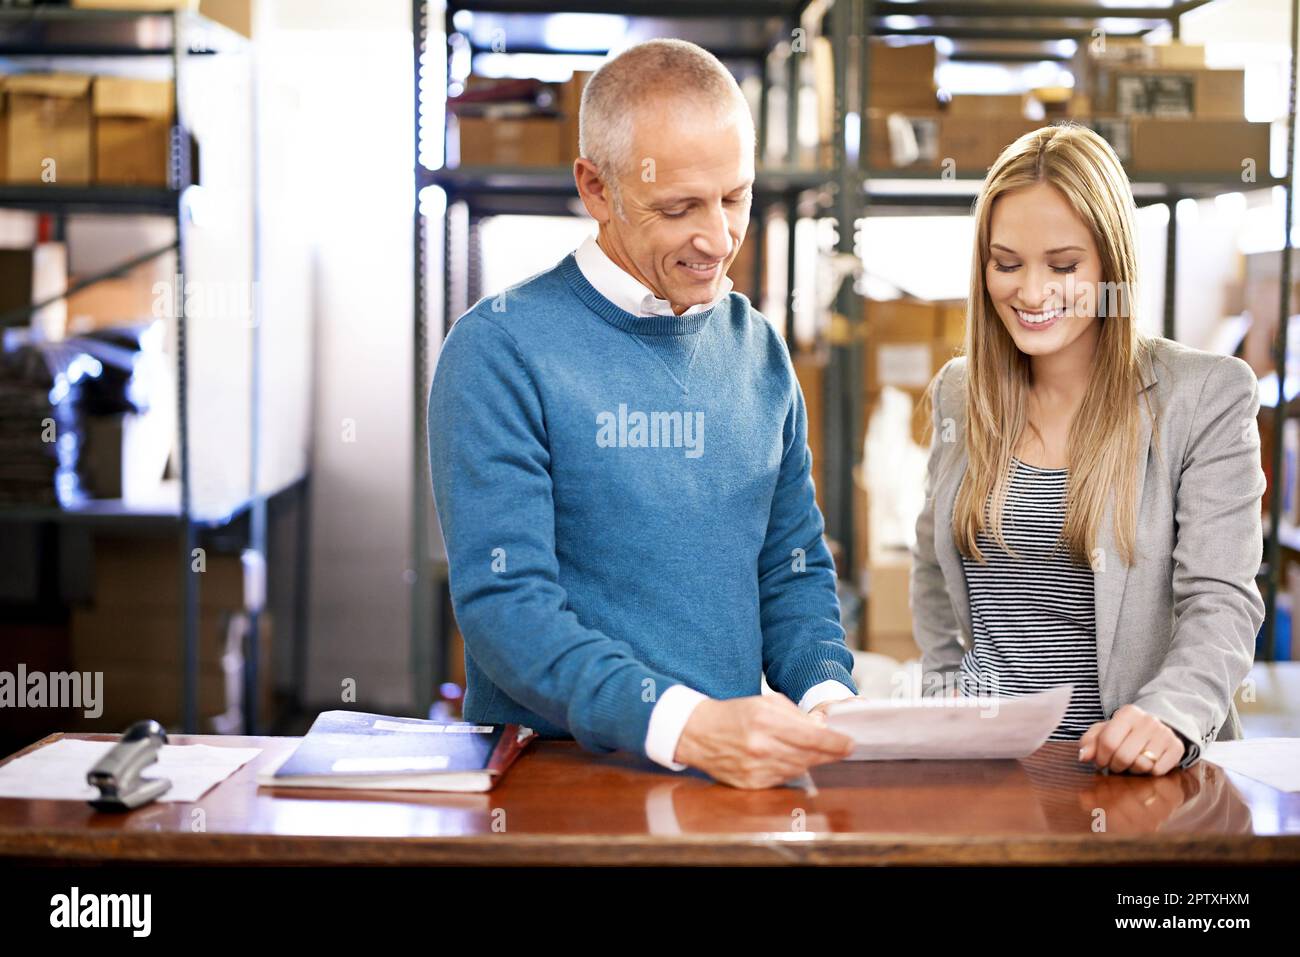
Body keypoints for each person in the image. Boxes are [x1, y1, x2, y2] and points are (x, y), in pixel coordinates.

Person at [428, 38, 857, 790]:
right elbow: (509, 611)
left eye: (735, 197)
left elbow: (790, 571)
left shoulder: (756, 348)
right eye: (679, 207)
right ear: (597, 189)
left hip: (725, 786)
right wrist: (685, 725)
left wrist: (828, 698)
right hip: (558, 788)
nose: (719, 239)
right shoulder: (500, 349)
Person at [911, 122, 1265, 777]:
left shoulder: (1205, 395)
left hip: (1127, 772)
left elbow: (1221, 600)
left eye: (1064, 266)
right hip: (987, 769)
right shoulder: (962, 392)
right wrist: (941, 690)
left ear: (1109, 262)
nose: (1032, 293)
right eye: (1007, 263)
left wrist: (1169, 715)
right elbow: (933, 565)